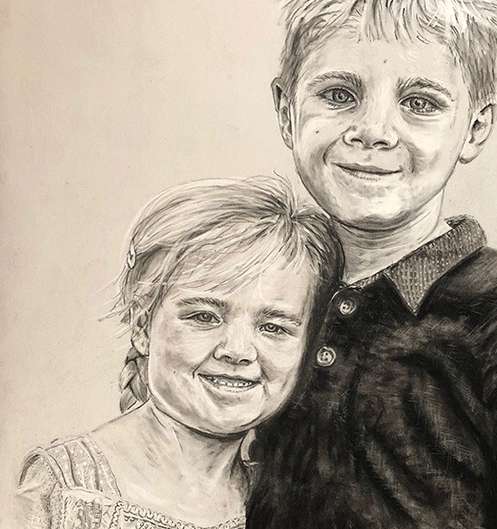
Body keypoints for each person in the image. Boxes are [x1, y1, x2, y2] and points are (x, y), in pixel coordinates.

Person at [247, 0, 497, 528]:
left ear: (475, 128)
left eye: (419, 102)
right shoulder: (263, 285)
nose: (374, 131)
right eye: (339, 95)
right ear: (286, 110)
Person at [15, 177, 341, 529]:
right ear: (142, 326)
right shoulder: (64, 487)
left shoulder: (293, 502)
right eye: (204, 317)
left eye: (273, 327)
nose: (238, 351)